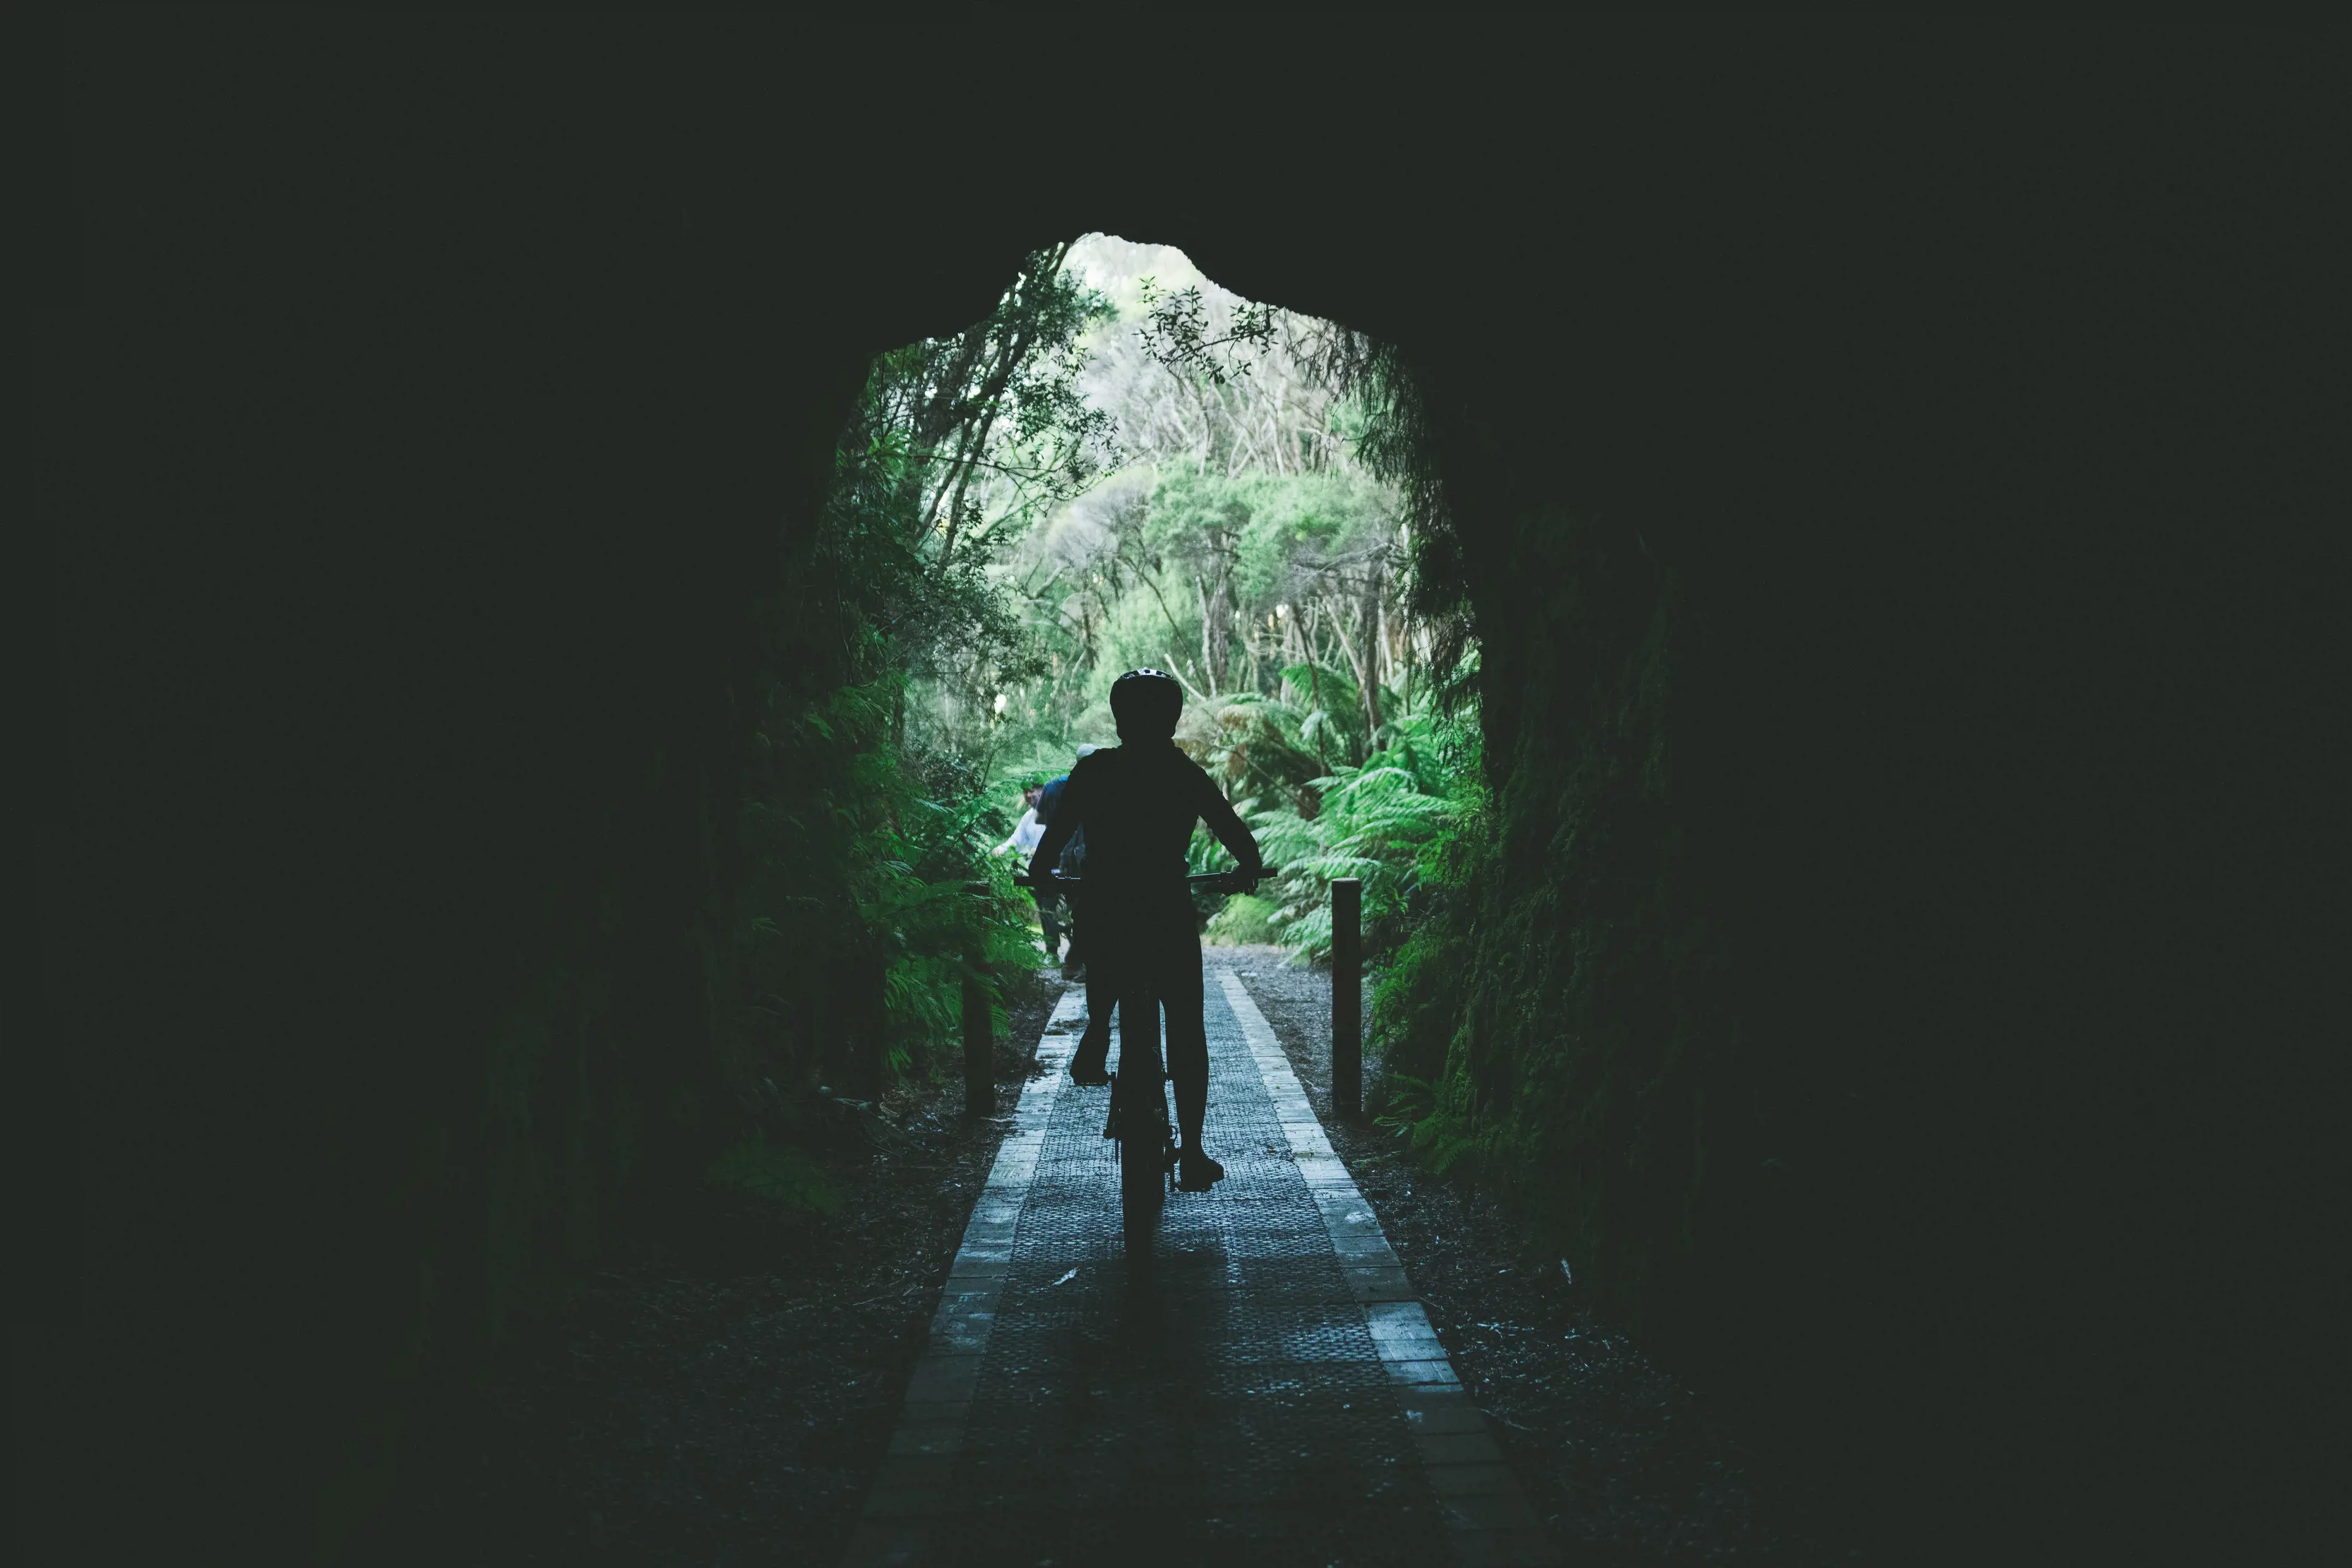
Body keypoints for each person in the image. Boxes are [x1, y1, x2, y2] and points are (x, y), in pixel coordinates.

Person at [1028, 671, 1262, 1192]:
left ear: (1119, 717)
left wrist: (1043, 875)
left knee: (1104, 961)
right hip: (1166, 909)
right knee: (1185, 1024)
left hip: (1105, 907)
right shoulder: (1182, 771)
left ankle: (1096, 1031)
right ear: (1172, 718)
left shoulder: (1093, 770)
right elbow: (1239, 840)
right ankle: (1195, 1151)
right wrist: (1244, 869)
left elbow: (1052, 844)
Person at [992, 784, 1063, 959]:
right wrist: (1003, 848)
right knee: (1043, 909)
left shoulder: (1055, 812)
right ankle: (1053, 947)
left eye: (1032, 791)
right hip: (1035, 872)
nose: (1028, 795)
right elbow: (1017, 838)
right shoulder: (1028, 817)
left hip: (1056, 870)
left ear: (1042, 791)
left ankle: (1053, 952)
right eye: (1025, 792)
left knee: (1048, 907)